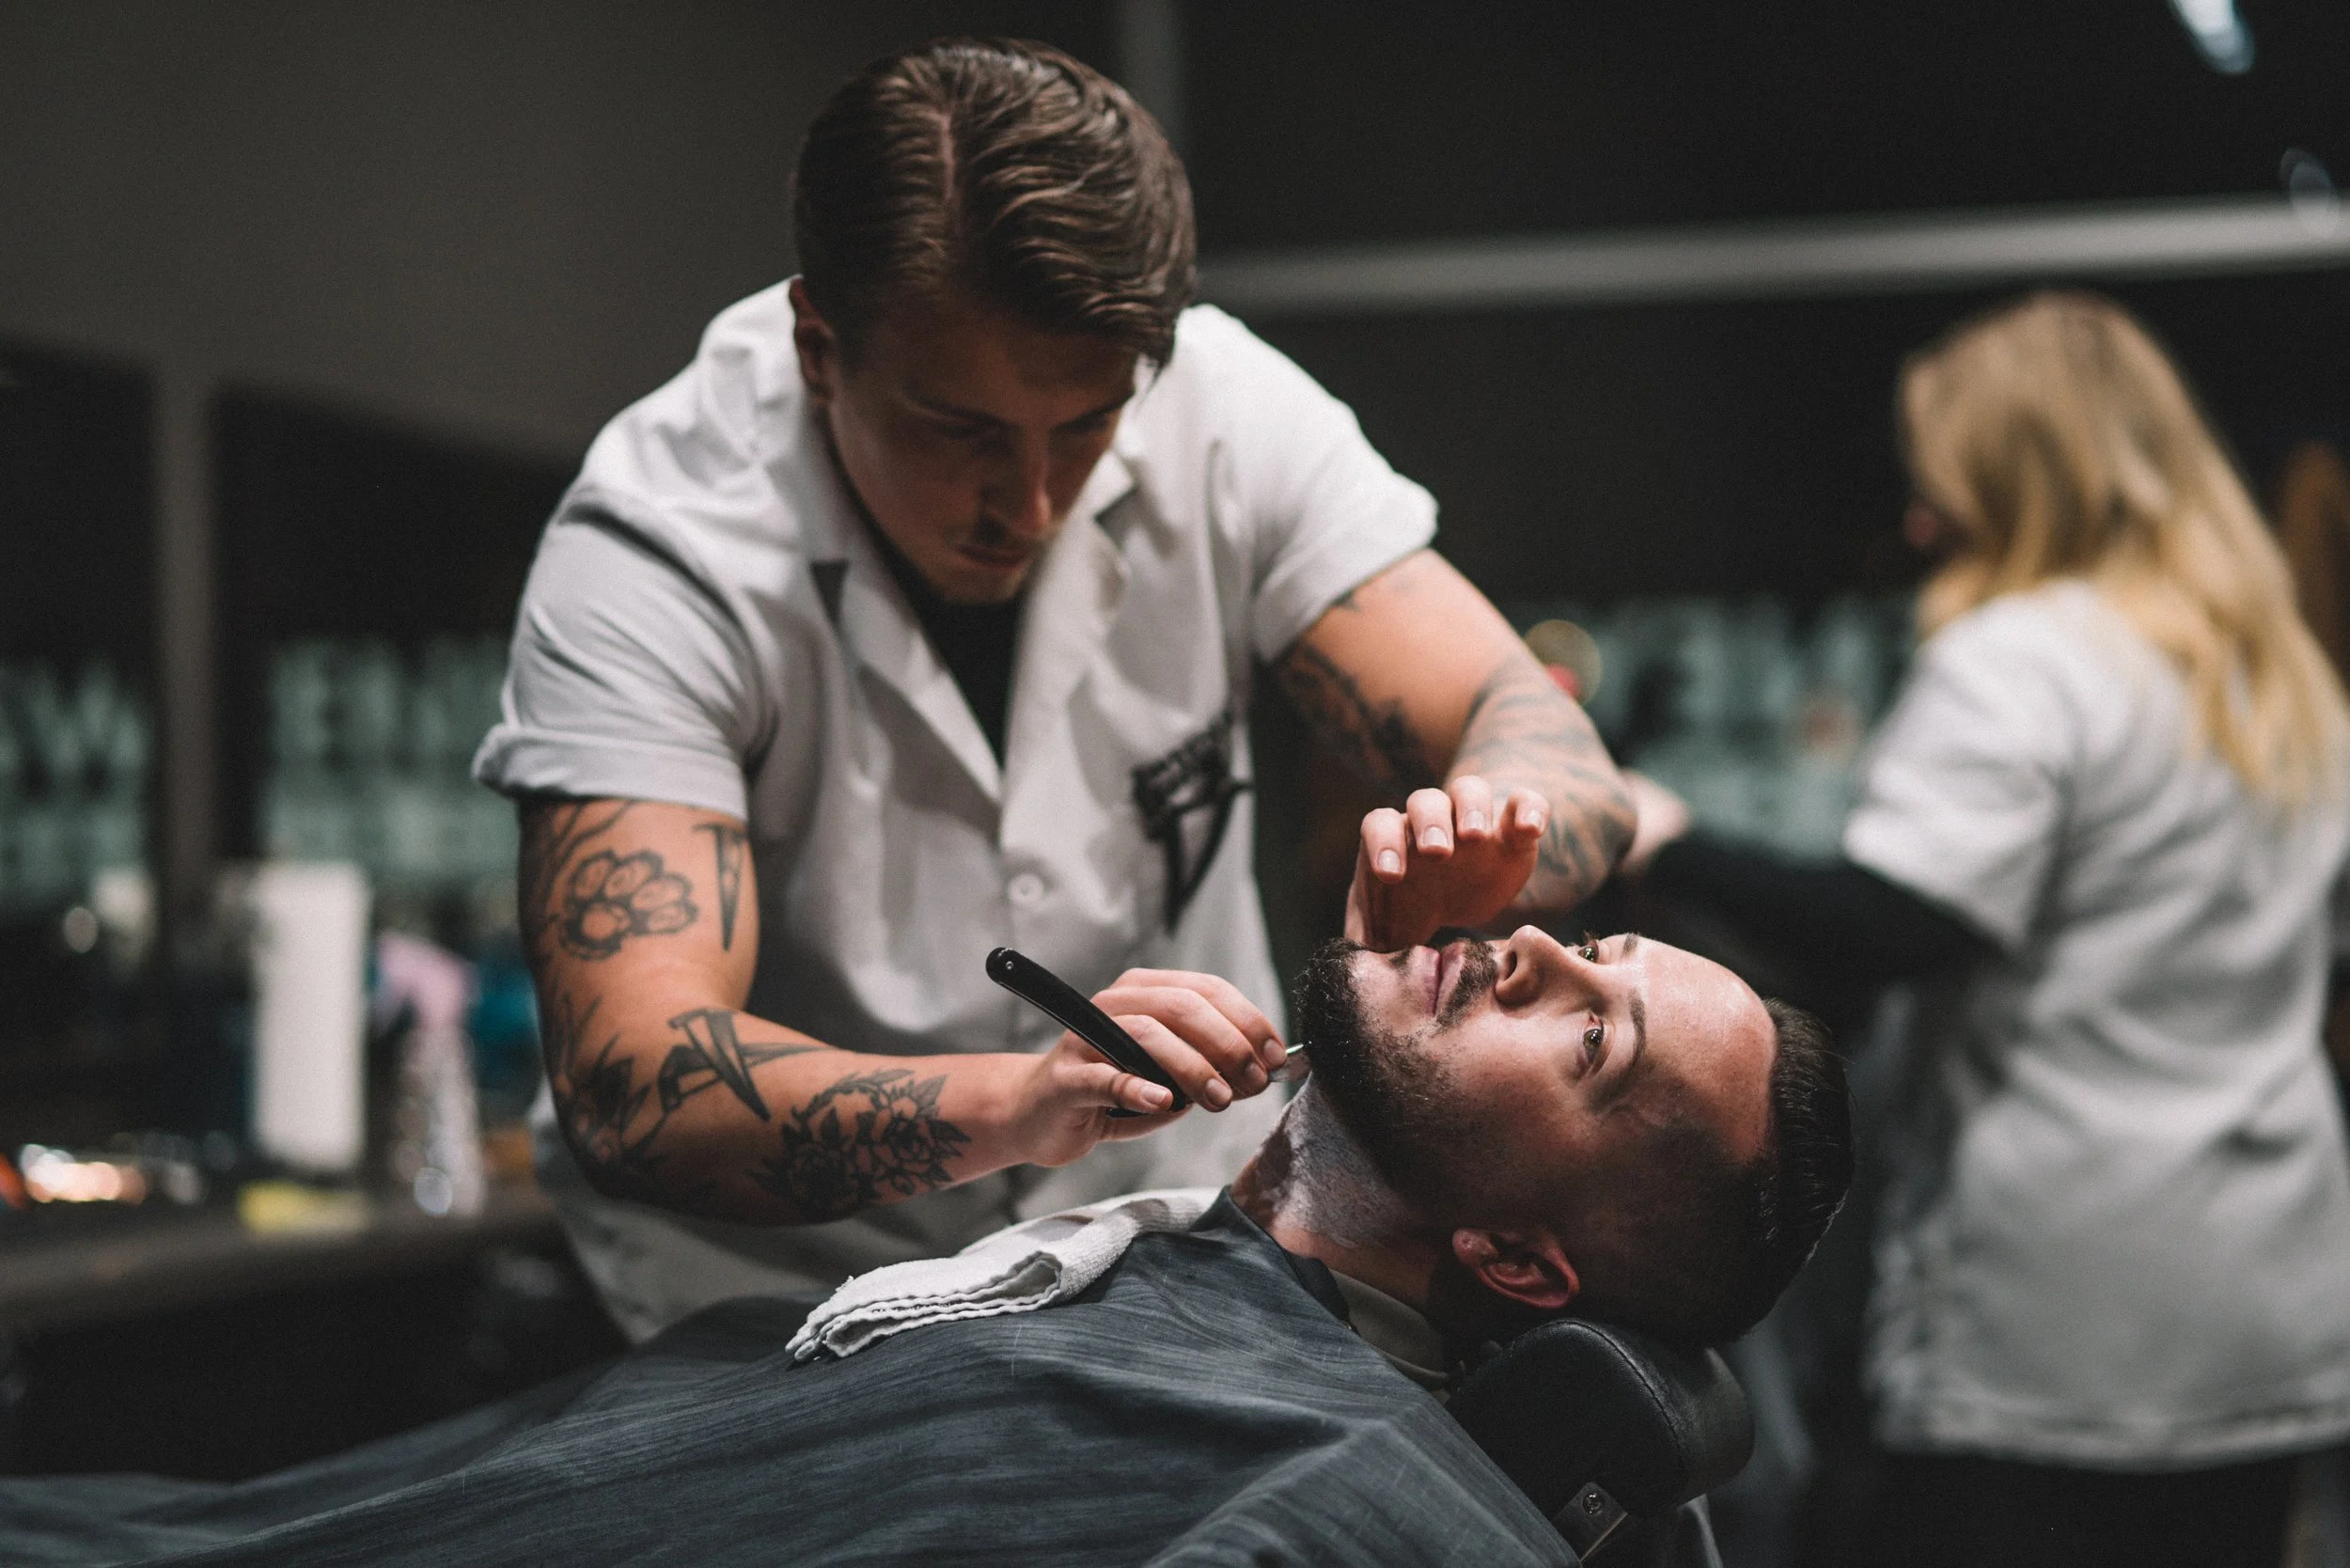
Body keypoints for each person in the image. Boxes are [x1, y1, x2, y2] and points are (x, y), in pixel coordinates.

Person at [470, 36, 1633, 1340]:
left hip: (1175, 1227)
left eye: (1082, 427)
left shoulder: (1226, 411)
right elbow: (636, 1081)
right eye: (957, 430)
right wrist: (1019, 1100)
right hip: (770, 1288)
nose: (1025, 505)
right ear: (818, 343)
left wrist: (1482, 837)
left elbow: (1547, 744)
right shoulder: (656, 547)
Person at [0, 927, 1851, 1567]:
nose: (1534, 948)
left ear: (1523, 1269)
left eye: (1586, 1043)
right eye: (1598, 953)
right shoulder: (1216, 1317)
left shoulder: (1271, 1473)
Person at [1621, 291, 2350, 1568]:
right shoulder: (2272, 669)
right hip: (2266, 1282)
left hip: (2068, 1301)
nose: (1917, 520)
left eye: (1942, 482)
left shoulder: (2027, 657)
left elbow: (1898, 924)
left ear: (2019, 477)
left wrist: (1671, 837)